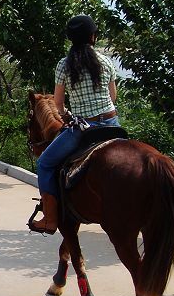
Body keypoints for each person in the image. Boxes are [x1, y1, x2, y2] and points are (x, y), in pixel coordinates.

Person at [28, 14, 119, 235]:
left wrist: (69, 115)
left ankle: (50, 219)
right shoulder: (105, 61)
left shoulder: (64, 65)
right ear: (93, 37)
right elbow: (113, 97)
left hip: (84, 129)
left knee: (45, 164)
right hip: (112, 123)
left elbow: (58, 105)